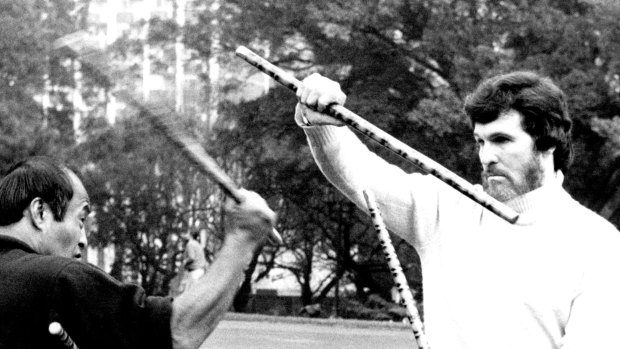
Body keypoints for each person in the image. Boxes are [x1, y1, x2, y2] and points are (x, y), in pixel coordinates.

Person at [294, 71, 620, 348]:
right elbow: (359, 174)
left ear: (548, 143)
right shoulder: (445, 210)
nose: (486, 156)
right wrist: (323, 122)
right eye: (481, 141)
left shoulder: (599, 245)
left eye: (502, 140)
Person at [0, 156, 276, 349]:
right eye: (80, 219)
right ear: (40, 212)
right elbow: (176, 333)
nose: (83, 240)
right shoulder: (59, 278)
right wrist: (242, 239)